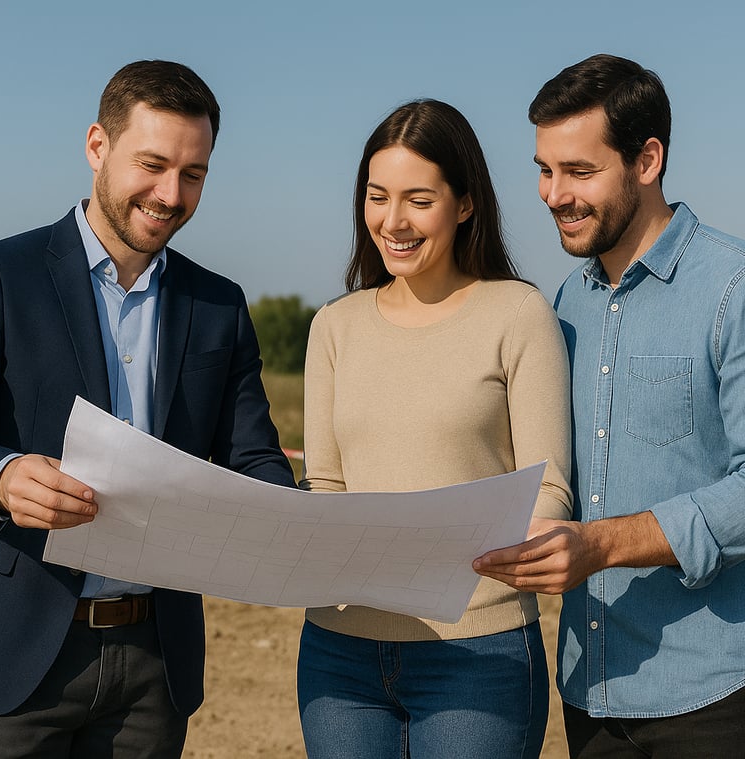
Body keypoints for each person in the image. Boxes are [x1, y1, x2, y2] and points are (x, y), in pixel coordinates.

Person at [0, 60, 295, 758]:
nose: (170, 193)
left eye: (194, 174)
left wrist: (300, 521)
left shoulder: (219, 305)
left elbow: (252, 455)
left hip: (156, 661)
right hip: (13, 657)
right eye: (152, 164)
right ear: (97, 146)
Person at [473, 53, 745, 757]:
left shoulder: (732, 289)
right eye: (544, 168)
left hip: (714, 695)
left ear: (647, 159)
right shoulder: (562, 307)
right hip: (586, 691)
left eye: (579, 172)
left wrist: (599, 545)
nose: (552, 193)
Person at [297, 99, 572, 759]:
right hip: (339, 653)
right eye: (377, 196)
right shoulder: (333, 326)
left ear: (465, 204)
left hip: (477, 649)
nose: (394, 221)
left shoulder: (520, 313)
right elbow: (329, 485)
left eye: (419, 199)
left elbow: (550, 488)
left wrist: (529, 541)